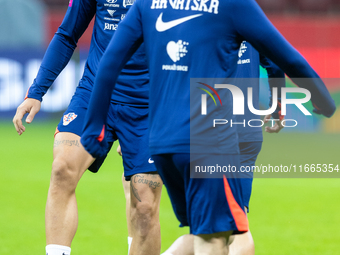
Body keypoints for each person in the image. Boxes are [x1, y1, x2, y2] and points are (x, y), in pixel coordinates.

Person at [80, 0, 336, 254]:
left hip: (161, 143)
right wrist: (323, 99)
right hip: (209, 141)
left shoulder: (148, 4)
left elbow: (109, 62)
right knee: (218, 237)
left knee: (205, 231)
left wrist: (94, 129)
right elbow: (288, 59)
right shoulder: (234, 5)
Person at [12, 0, 163, 254]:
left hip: (148, 104)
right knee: (62, 168)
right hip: (95, 93)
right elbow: (67, 34)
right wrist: (36, 92)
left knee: (145, 204)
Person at [160, 42, 286, 255]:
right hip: (246, 132)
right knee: (227, 224)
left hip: (210, 133)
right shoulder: (251, 19)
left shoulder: (200, 21)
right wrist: (279, 108)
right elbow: (276, 63)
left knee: (219, 228)